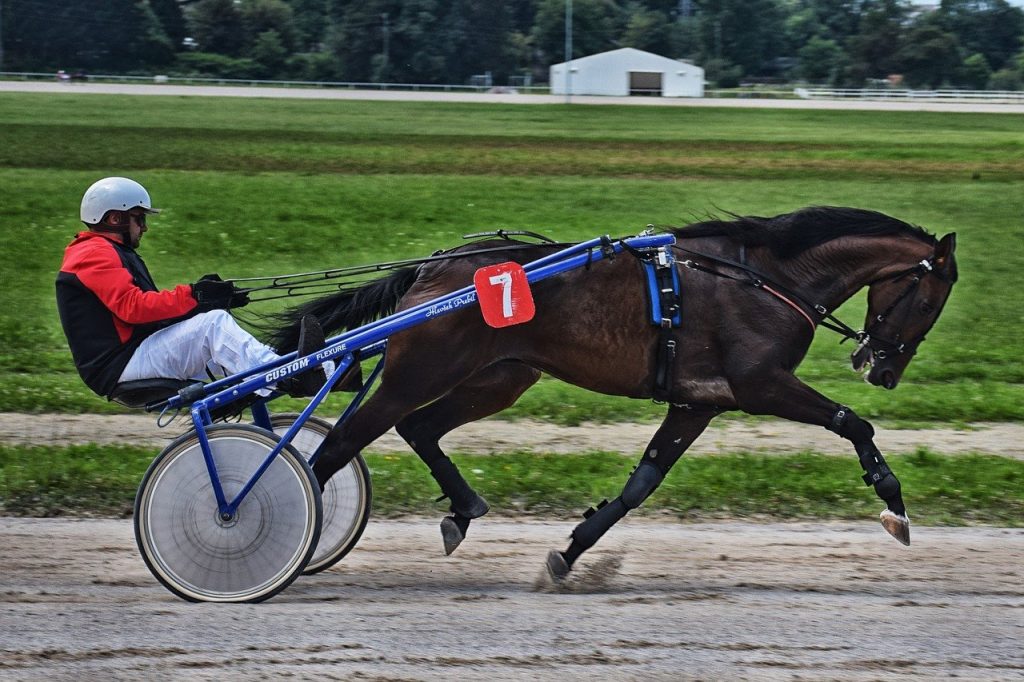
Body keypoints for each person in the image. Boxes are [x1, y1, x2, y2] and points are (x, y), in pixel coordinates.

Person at [56, 176, 326, 401]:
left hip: (131, 356)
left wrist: (204, 301)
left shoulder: (110, 251)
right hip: (120, 365)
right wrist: (193, 295)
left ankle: (322, 370)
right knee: (213, 326)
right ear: (115, 218)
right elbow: (134, 308)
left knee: (228, 343)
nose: (145, 228)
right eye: (139, 218)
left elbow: (152, 316)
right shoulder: (93, 253)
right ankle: (290, 375)